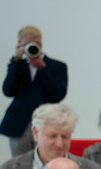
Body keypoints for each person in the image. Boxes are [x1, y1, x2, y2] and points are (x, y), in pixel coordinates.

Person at [0, 25, 68, 156]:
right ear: (20, 44)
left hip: (47, 123)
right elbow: (8, 91)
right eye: (28, 44)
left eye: (37, 43)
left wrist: (43, 69)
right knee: (19, 166)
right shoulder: (17, 65)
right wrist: (16, 61)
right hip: (19, 124)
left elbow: (57, 95)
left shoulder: (57, 66)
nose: (33, 46)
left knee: (47, 162)